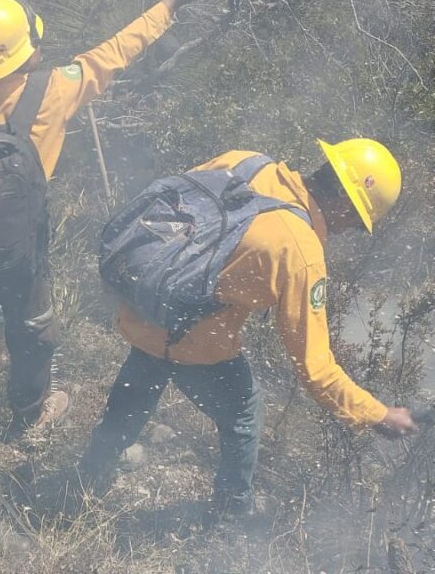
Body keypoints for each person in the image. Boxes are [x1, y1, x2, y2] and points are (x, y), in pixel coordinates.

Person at [79, 139, 418, 517]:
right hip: (188, 342)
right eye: (356, 222)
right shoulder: (300, 253)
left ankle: (83, 482)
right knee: (244, 411)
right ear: (343, 202)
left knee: (136, 388)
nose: (348, 231)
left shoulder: (246, 163)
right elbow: (316, 369)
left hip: (143, 307)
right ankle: (231, 514)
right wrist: (376, 414)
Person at [0, 0, 219, 428]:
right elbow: (116, 51)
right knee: (32, 328)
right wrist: (172, 1)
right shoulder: (55, 89)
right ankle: (30, 414)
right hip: (20, 245)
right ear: (25, 53)